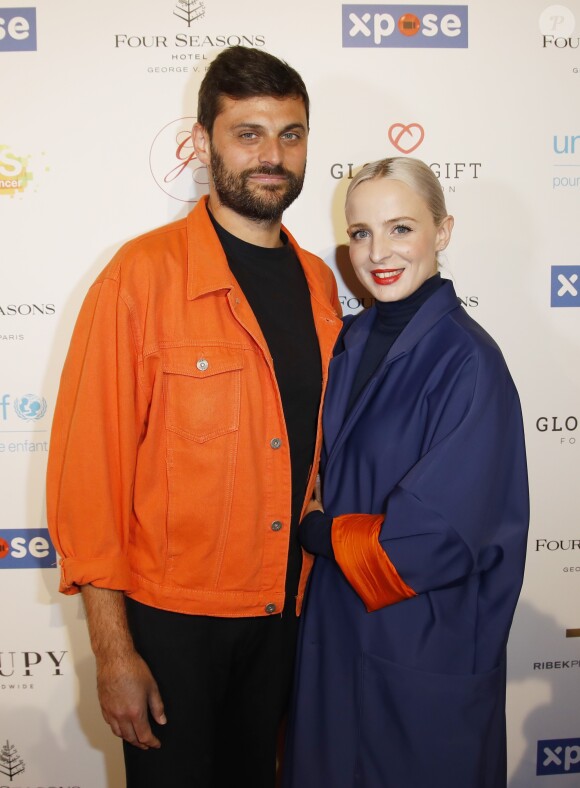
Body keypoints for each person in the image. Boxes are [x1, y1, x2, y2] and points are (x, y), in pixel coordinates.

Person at [46, 46, 341, 788]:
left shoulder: (321, 286)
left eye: (291, 134)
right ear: (205, 143)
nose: (273, 155)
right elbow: (90, 475)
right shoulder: (139, 278)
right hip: (174, 627)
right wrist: (115, 654)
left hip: (290, 620)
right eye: (249, 133)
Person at [282, 157, 529, 788]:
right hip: (337, 631)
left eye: (401, 228)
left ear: (442, 232)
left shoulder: (471, 362)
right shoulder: (350, 341)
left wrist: (317, 532)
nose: (377, 252)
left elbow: (440, 535)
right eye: (361, 232)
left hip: (423, 639)